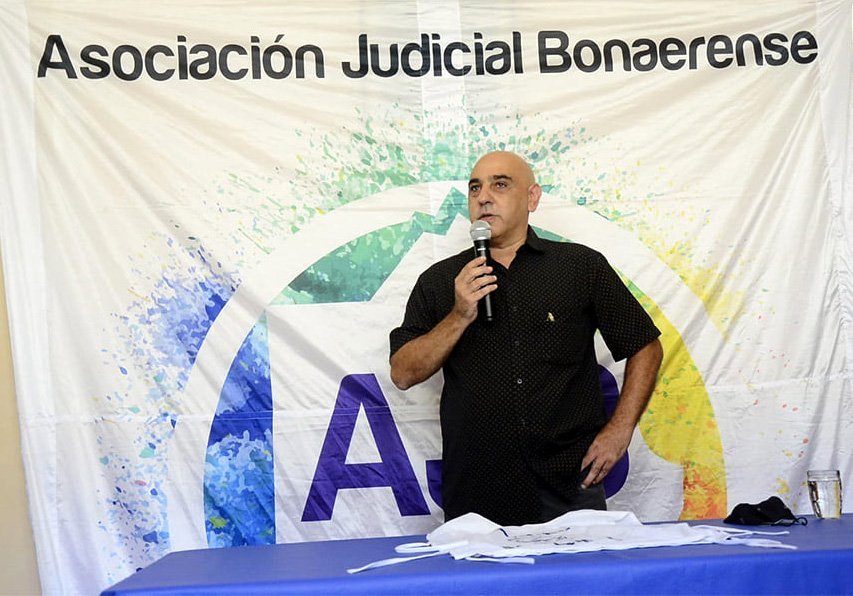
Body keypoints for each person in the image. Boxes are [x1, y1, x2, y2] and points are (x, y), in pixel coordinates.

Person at [389, 151, 663, 526]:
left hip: (568, 484)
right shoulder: (440, 281)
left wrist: (620, 430)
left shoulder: (580, 266)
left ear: (532, 198)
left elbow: (645, 345)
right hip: (476, 489)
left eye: (500, 185)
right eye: (475, 188)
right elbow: (403, 372)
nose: (484, 197)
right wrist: (459, 315)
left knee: (575, 569)